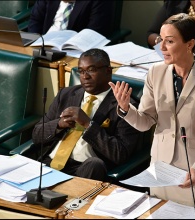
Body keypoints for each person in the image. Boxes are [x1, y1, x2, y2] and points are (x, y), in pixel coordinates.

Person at [109, 13, 195, 210]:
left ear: (189, 44)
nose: (162, 48)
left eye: (170, 41)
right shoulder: (155, 73)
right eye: (160, 40)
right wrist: (126, 109)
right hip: (160, 172)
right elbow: (145, 122)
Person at [29, 49, 140, 181]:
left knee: (95, 165)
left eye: (91, 70)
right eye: (81, 71)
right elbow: (36, 135)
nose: (85, 76)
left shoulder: (124, 105)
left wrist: (88, 124)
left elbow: (120, 154)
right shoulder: (66, 94)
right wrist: (59, 124)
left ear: (108, 71)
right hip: (50, 163)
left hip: (84, 169)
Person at [28, 0, 114, 37]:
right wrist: (36, 41)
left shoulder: (99, 2)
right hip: (44, 45)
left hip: (72, 51)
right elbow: (36, 19)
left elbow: (94, 32)